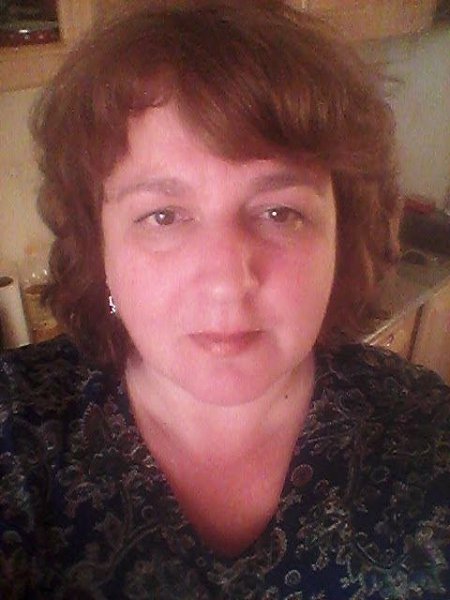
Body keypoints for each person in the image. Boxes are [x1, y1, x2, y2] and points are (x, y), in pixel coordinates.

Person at [0, 1, 449, 598]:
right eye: (163, 216)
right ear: (98, 245)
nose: (226, 282)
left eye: (279, 212)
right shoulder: (15, 430)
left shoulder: (426, 436)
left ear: (341, 237)